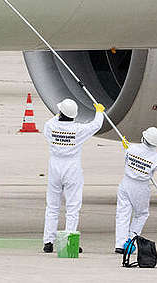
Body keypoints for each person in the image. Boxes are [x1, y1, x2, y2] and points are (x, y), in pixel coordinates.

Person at [42, 98, 106, 253]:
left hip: (55, 167)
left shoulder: (50, 125)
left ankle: (48, 241)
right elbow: (96, 125)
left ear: (61, 113)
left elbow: (54, 120)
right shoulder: (78, 129)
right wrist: (99, 112)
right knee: (73, 206)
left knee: (52, 206)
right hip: (72, 168)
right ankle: (69, 241)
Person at [114, 126, 157, 254]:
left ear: (143, 138)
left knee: (123, 213)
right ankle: (130, 240)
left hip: (126, 183)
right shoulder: (156, 158)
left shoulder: (131, 148)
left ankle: (119, 244)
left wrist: (127, 149)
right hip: (141, 187)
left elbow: (126, 160)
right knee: (141, 214)